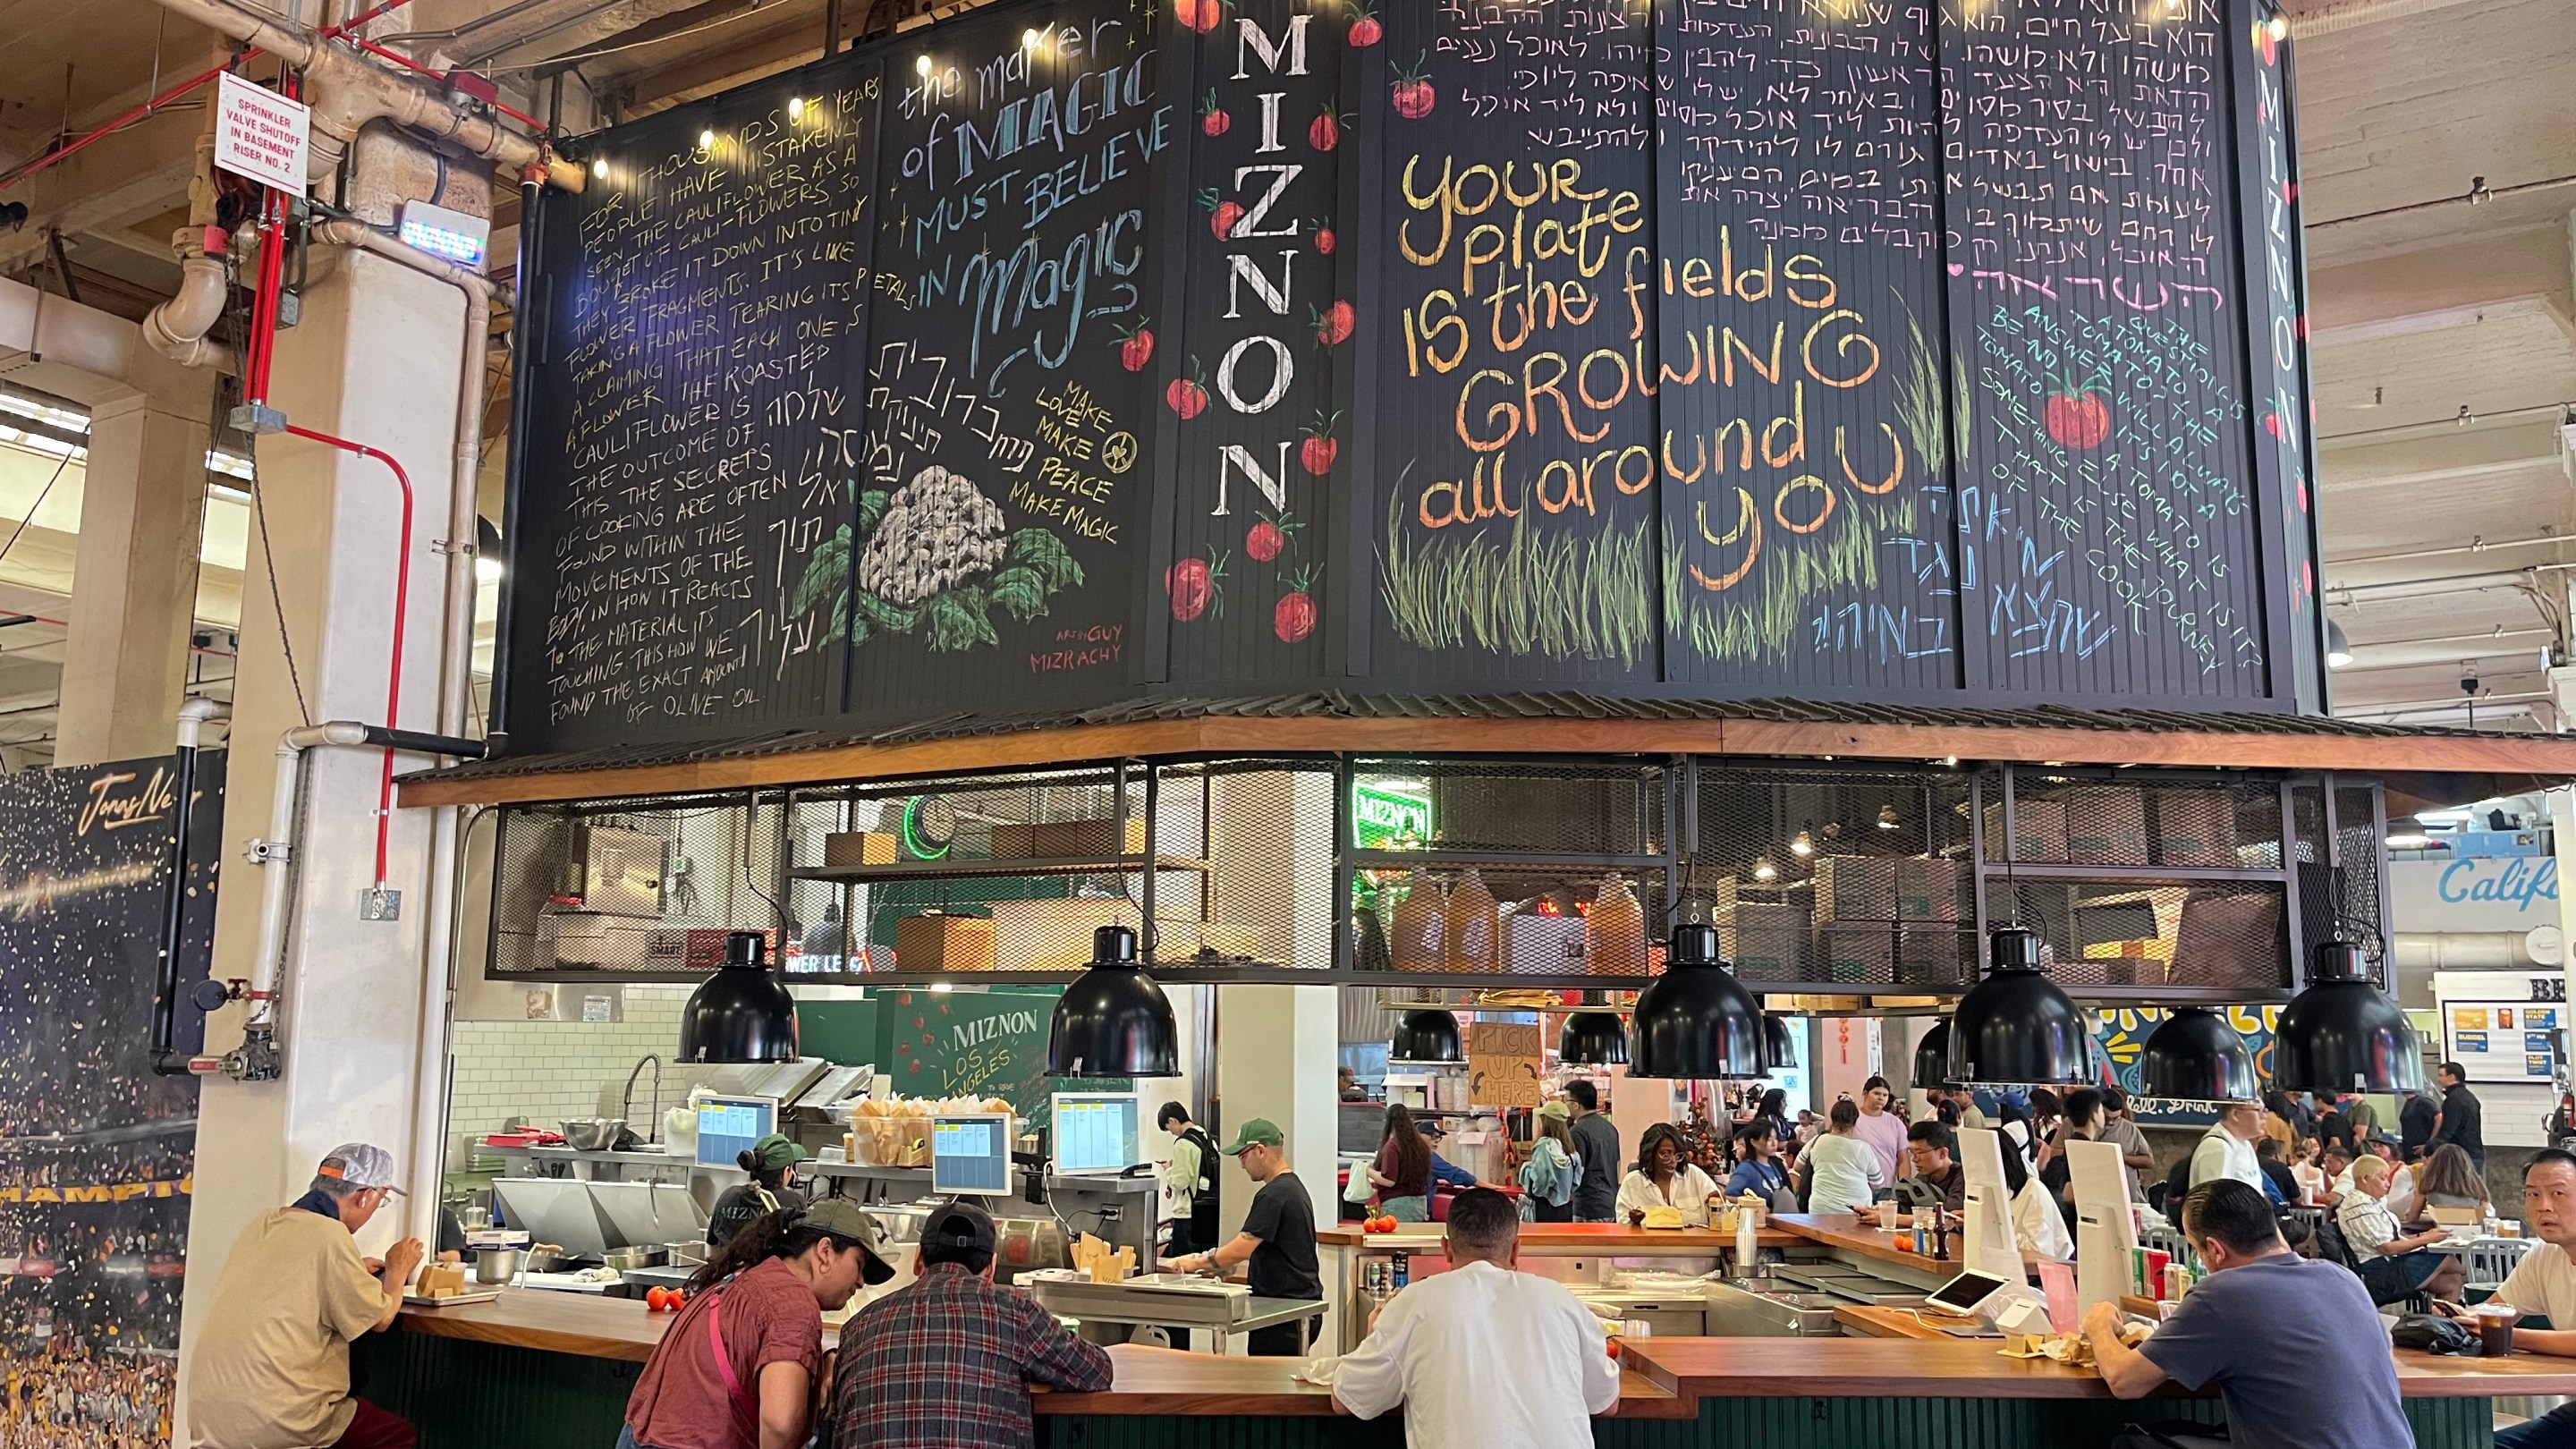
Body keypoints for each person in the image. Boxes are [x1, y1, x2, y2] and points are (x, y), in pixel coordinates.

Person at [2082, 1179, 2411, 1449]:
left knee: (2131, 1445)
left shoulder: (2222, 1294)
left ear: (2214, 1249)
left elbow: (2125, 1381)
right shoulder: (2342, 1277)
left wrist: (2098, 1323)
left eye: (2198, 1250)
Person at [1332, 1188, 1620, 1448]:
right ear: (1516, 1250)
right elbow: (1606, 1402)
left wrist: (1374, 1335)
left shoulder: (1413, 1304)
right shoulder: (1563, 1302)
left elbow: (1346, 1398)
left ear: (1446, 1248)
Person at [186, 1144, 426, 1449]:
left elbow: (288, 1279)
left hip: (210, 1412)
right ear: (365, 1195)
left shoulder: (263, 1224)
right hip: (275, 1418)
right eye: (381, 1201)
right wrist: (397, 1271)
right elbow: (381, 1318)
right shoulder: (330, 1235)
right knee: (395, 1434)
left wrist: (350, 1271)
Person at [828, 1200, 1111, 1449]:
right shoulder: (1013, 1310)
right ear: (990, 1268)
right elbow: (1096, 1370)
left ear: (918, 1259)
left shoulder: (858, 1326)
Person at [625, 1199, 894, 1449]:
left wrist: (824, 1362)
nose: (860, 1281)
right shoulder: (792, 1302)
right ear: (824, 1252)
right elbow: (780, 1426)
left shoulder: (739, 1279)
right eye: (858, 1265)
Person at [2445, 1149, 2576, 1447]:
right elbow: (2496, 1310)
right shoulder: (2544, 1255)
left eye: (2558, 1193)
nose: (2544, 1206)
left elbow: (2502, 1327)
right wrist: (2457, 1317)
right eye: (2532, 1195)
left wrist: (2510, 1336)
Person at [1169, 1119, 1320, 1355]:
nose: (1242, 1166)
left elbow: (1241, 1249)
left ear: (1261, 1151)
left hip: (1285, 1312)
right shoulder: (1294, 1188)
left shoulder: (1274, 1195)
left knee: (1270, 1387)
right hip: (1299, 1306)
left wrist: (1195, 1263)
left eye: (1243, 1156)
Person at [2335, 1156, 2464, 1306]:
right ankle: (2472, 1281)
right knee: (2446, 1257)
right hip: (2379, 1274)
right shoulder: (2359, 1207)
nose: (2388, 1184)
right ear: (2365, 1178)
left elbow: (2391, 1238)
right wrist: (2426, 1240)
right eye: (2383, 1179)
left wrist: (2422, 1235)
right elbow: (2387, 1247)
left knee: (2452, 1282)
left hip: (2389, 1264)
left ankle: (2444, 1325)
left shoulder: (2370, 1203)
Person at [708, 1133, 809, 1247]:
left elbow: (714, 1246)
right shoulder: (793, 1202)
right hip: (772, 1265)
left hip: (729, 1264)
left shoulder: (729, 1196)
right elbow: (801, 1250)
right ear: (786, 1171)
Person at [1617, 1123, 1720, 1226]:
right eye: (1665, 1154)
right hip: (1650, 1242)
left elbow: (1722, 1217)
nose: (1672, 1160)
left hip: (1693, 1242)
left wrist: (1719, 1204)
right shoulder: (1632, 1183)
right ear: (1650, 1154)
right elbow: (1622, 1227)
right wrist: (1634, 1223)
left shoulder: (1694, 1176)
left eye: (1677, 1155)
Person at [1795, 1099, 1885, 1216]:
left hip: (1820, 1209)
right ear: (1855, 1121)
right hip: (1855, 1210)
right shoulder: (1863, 1148)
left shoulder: (1817, 1141)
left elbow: (1797, 1167)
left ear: (1832, 1118)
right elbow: (1878, 1184)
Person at [1157, 1102, 1219, 1258]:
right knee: (1203, 1263)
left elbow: (1179, 1182)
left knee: (1183, 1265)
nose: (1172, 1133)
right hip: (1208, 1211)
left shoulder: (1183, 1143)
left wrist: (1168, 1170)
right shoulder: (1208, 1138)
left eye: (1168, 1128)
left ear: (1172, 1120)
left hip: (1188, 1215)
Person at [1562, 1080, 1622, 1224]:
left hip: (1588, 1205)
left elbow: (1577, 1171)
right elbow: (1618, 1165)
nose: (1565, 1105)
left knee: (1586, 1246)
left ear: (1576, 1105)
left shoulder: (1578, 1131)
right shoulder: (1610, 1127)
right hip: (1611, 1202)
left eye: (1566, 1101)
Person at [1368, 1104, 1436, 1222]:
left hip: (1397, 1204)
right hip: (1420, 1203)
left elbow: (1389, 1180)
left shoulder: (1393, 1146)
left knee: (1396, 1239)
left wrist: (1368, 1171)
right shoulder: (1420, 1146)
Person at [1518, 1105, 1581, 1222]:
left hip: (1544, 1207)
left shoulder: (1544, 1146)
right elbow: (1576, 1181)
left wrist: (1526, 1169)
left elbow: (1540, 1179)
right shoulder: (1569, 1147)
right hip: (1565, 1208)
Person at [1893, 1120, 1962, 1222]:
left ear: (1942, 1153)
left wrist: (1892, 1218)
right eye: (1911, 1153)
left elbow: (1945, 1216)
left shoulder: (1963, 1178)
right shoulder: (1923, 1176)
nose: (1914, 1159)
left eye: (1919, 1152)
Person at [2411, 1142, 2493, 1229]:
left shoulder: (2428, 1186)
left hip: (2440, 1236)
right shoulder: (2477, 1188)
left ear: (2435, 1165)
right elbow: (2489, 1216)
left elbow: (2412, 1219)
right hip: (2473, 1235)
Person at [2190, 1101, 2264, 1192]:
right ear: (2235, 1114)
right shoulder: (2216, 1146)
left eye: (2265, 1110)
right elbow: (2214, 1199)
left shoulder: (2246, 1145)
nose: (2264, 1116)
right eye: (2259, 1110)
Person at [1850, 1075, 1909, 1185]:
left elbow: (1903, 1159)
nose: (1881, 1098)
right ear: (1865, 1094)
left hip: (1886, 1186)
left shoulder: (1895, 1123)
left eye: (1885, 1095)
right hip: (1857, 1186)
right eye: (1876, 1094)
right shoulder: (1852, 1119)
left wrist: (1905, 1186)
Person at [2428, 1062, 2487, 1170]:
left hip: (2461, 1157)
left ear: (2451, 1077)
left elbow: (2448, 1130)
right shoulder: (2470, 1097)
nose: (2438, 1079)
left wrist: (2430, 1150)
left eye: (2441, 1075)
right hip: (2473, 1153)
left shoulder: (2453, 1100)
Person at [2097, 1089, 2155, 1199]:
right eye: (2106, 1118)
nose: (2110, 1122)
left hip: (2127, 1197)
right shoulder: (2081, 1126)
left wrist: (2123, 1157)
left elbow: (2149, 1162)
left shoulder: (2129, 1129)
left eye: (2115, 1119)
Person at [1724, 1121, 1791, 1206]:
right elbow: (1728, 1197)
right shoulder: (1746, 1168)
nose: (1774, 1144)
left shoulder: (1775, 1164)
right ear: (1753, 1142)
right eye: (1769, 1139)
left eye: (1776, 1138)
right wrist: (1756, 1205)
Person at [2252, 1139, 2299, 1206]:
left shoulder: (2252, 1165)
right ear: (2277, 1155)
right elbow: (2295, 1196)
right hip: (2279, 1210)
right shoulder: (2281, 1168)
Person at [2400, 1085, 2438, 1160]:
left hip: (2421, 1155)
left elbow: (2439, 1117)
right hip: (2410, 1153)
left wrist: (2430, 1143)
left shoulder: (2423, 1101)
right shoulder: (2409, 1103)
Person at [2259, 1091, 2301, 1157]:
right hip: (2288, 1156)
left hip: (2272, 1156)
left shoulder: (2267, 1118)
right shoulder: (2287, 1120)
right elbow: (2296, 1139)